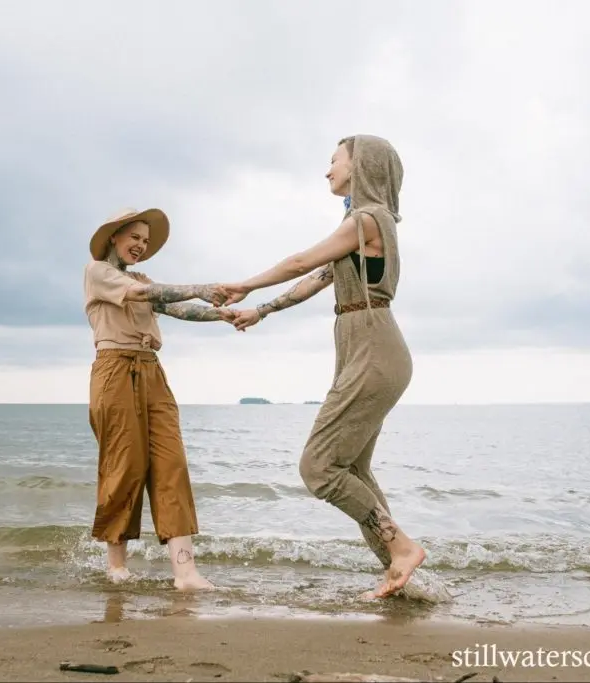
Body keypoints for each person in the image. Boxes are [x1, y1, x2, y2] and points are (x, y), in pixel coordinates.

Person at [221, 135, 426, 599]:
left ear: (362, 166)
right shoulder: (363, 227)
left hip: (374, 347)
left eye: (335, 160)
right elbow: (317, 279)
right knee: (353, 469)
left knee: (318, 467)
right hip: (364, 346)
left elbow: (300, 262)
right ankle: (399, 572)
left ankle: (403, 549)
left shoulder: (367, 219)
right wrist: (262, 311)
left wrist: (245, 286)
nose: (328, 169)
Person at [83, 207, 232, 591]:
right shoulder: (98, 272)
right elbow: (144, 293)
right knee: (125, 465)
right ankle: (116, 566)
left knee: (172, 464)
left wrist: (224, 315)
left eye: (145, 241)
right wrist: (200, 285)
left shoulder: (143, 279)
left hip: (153, 371)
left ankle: (186, 573)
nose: (140, 245)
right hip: (114, 369)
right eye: (134, 237)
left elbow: (173, 307)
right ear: (114, 236)